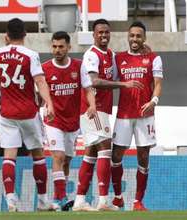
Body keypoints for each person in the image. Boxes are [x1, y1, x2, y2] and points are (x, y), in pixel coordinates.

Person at [72, 19, 144, 211]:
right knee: (105, 149)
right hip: (91, 108)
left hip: (103, 109)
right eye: (100, 32)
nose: (103, 36)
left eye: (106, 32)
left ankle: (79, 200)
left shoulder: (110, 55)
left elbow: (119, 70)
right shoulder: (91, 55)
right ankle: (103, 201)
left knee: (91, 153)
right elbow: (94, 81)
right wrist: (123, 85)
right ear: (94, 35)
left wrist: (144, 49)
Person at [0, 18, 55, 212]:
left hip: (7, 113)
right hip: (28, 112)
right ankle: (43, 201)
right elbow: (40, 82)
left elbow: (7, 62)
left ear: (7, 34)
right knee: (38, 154)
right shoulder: (31, 55)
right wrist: (50, 104)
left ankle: (11, 200)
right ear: (25, 34)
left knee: (9, 156)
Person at [111, 21, 163, 211]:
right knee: (116, 156)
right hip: (123, 114)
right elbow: (110, 81)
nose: (134, 39)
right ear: (128, 36)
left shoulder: (154, 58)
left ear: (144, 38)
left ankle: (138, 201)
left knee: (143, 156)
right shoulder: (118, 59)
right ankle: (118, 197)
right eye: (132, 35)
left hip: (145, 115)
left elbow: (158, 84)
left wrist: (153, 102)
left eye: (138, 36)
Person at [42, 31, 96, 211]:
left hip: (73, 122)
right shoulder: (45, 68)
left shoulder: (78, 66)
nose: (57, 50)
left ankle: (60, 197)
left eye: (61, 47)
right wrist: (45, 106)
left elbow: (88, 89)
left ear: (68, 47)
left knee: (67, 161)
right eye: (54, 46)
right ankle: (60, 198)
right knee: (58, 156)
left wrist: (92, 106)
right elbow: (39, 93)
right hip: (53, 120)